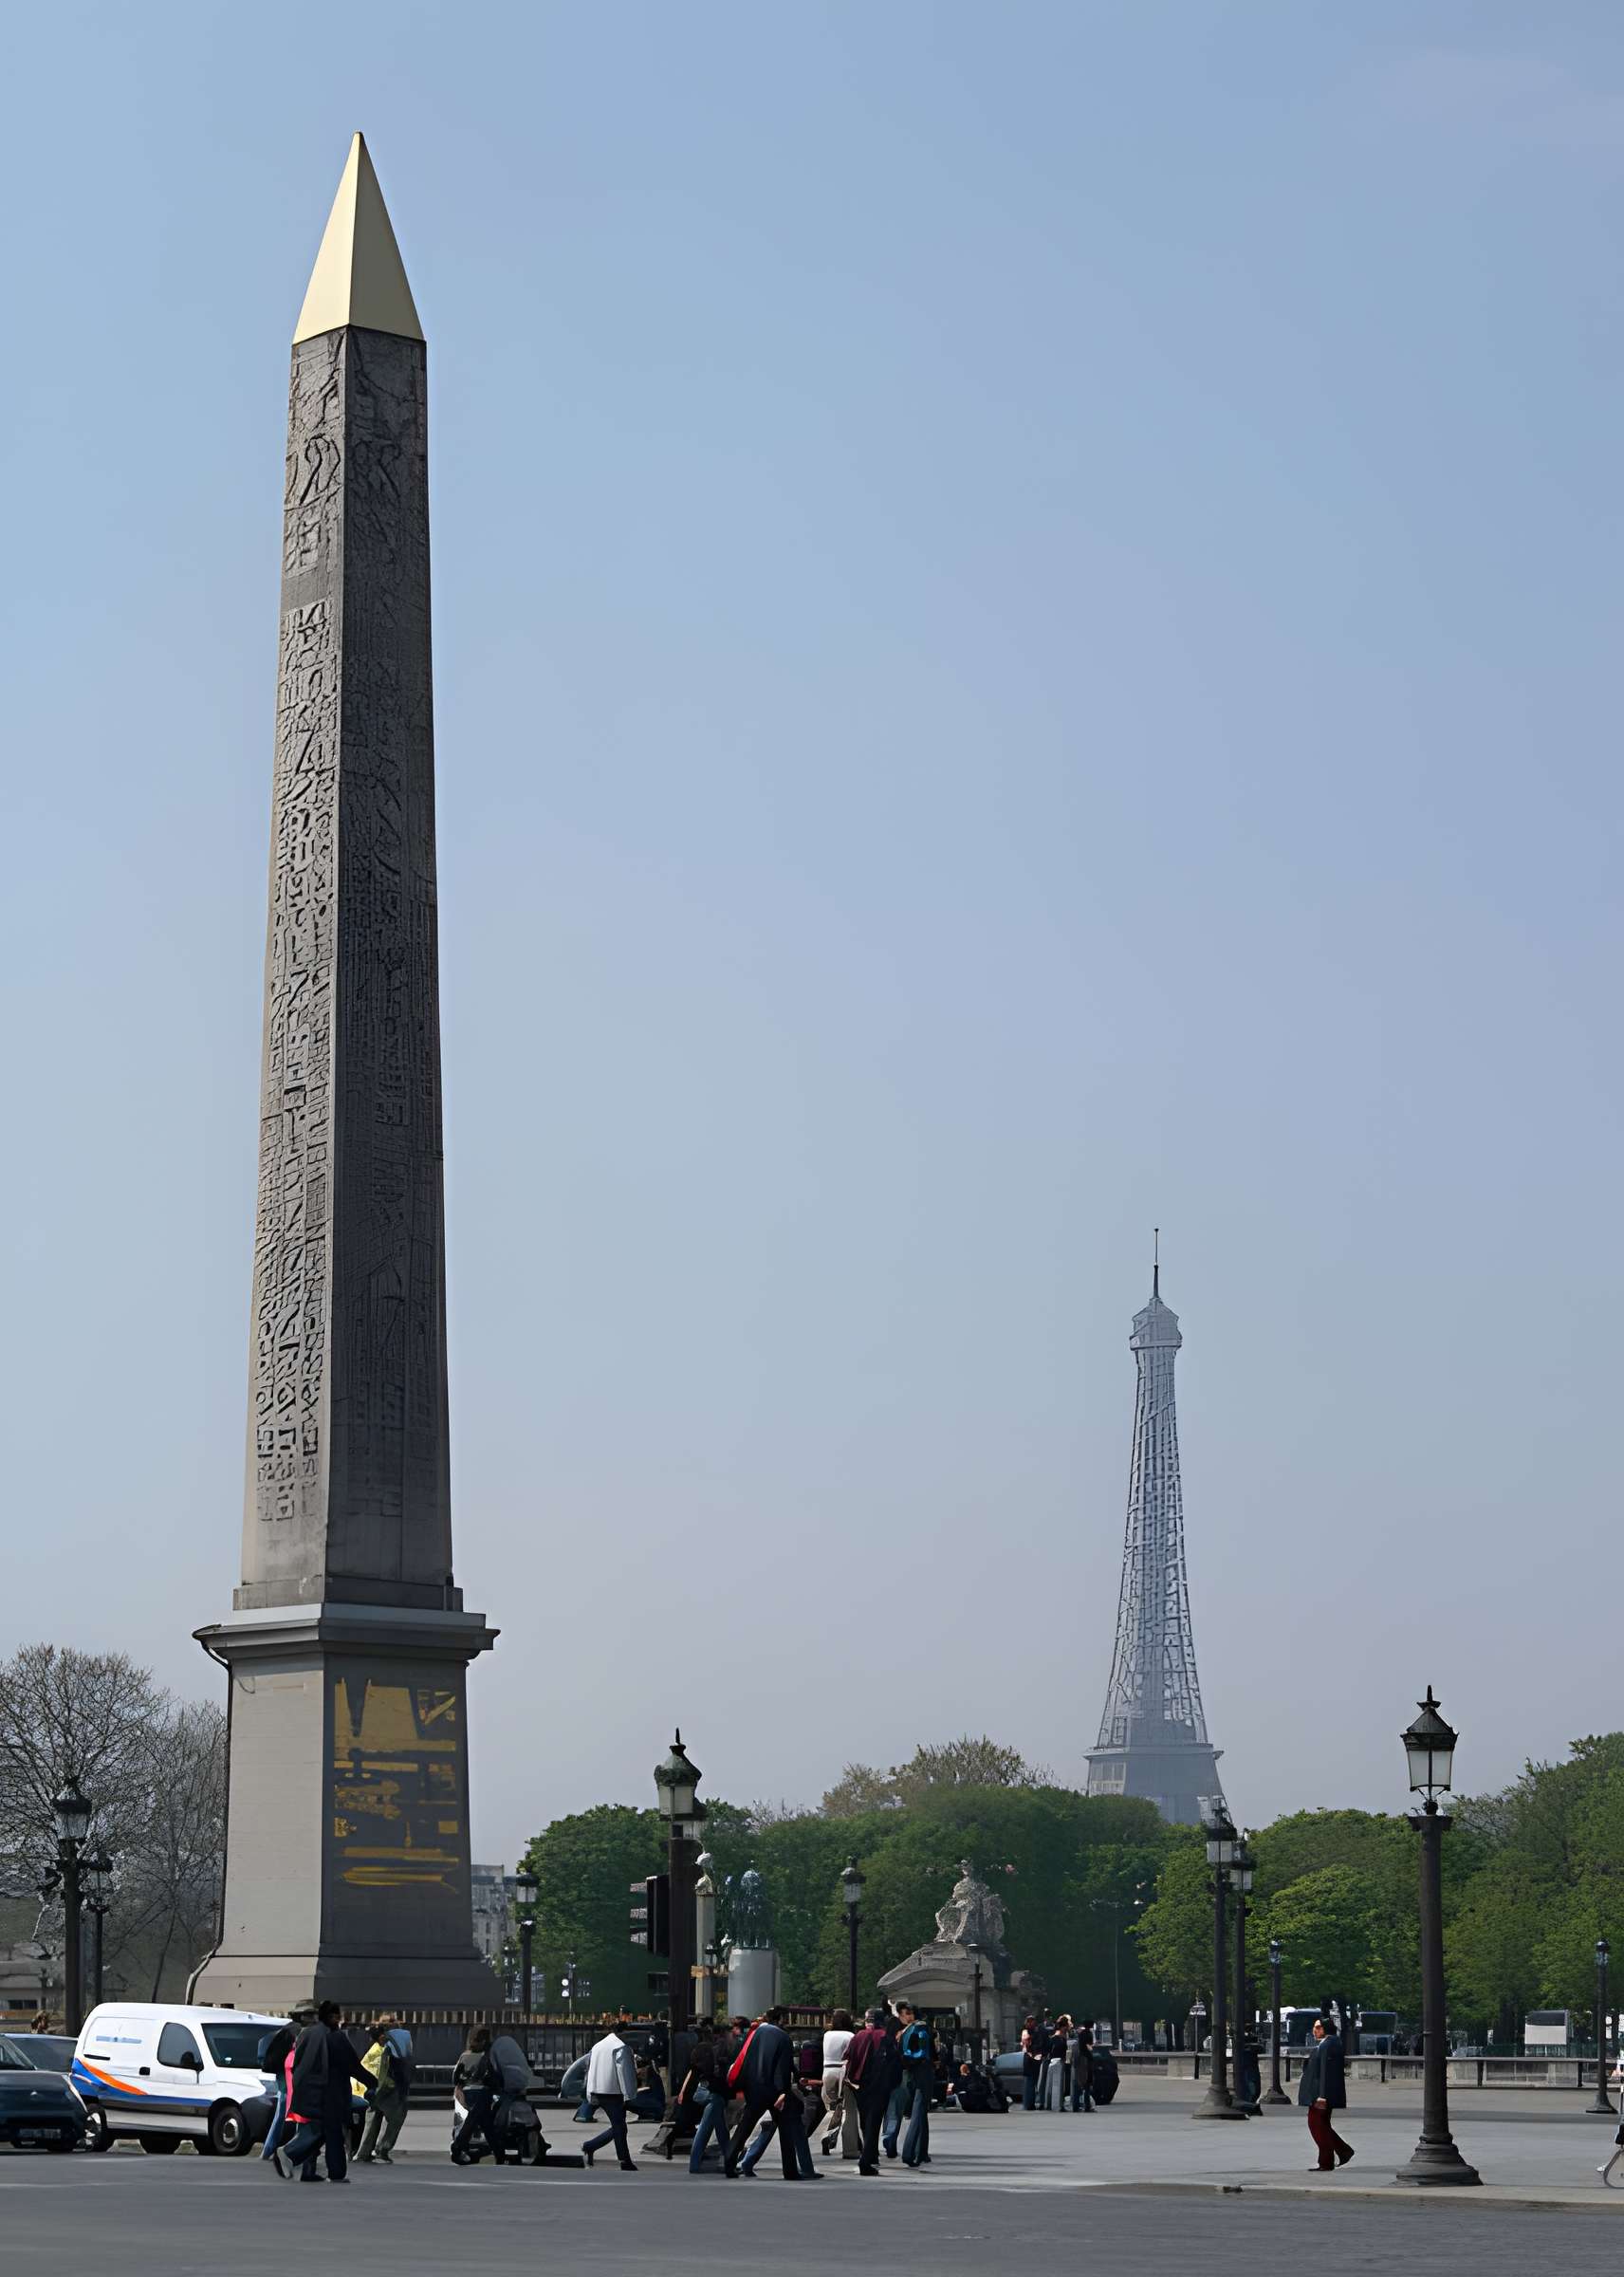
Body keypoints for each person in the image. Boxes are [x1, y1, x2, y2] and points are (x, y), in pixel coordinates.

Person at [274, 2002, 372, 2182]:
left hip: (309, 2092)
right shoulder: (335, 2037)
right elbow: (352, 2066)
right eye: (336, 2016)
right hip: (330, 2094)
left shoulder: (308, 2034)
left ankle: (306, 2169)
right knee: (332, 2134)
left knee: (318, 2131)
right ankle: (295, 2155)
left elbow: (298, 2064)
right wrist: (372, 2082)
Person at [724, 2008, 804, 2180]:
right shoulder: (783, 2038)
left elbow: (743, 2059)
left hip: (753, 2087)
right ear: (780, 2019)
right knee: (785, 2128)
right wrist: (783, 2091)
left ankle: (729, 2163)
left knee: (745, 2126)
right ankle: (790, 2170)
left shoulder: (755, 2034)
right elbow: (783, 2068)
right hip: (773, 2089)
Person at [843, 2007, 901, 2175]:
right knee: (874, 2122)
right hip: (880, 2084)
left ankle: (870, 2154)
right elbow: (895, 2062)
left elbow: (849, 2058)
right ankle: (867, 2160)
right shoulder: (886, 2037)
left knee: (865, 2119)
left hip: (860, 2084)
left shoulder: (858, 2036)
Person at [257, 2004, 312, 2164]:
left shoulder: (288, 2029)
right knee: (297, 2116)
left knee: (281, 2116)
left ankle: (268, 2151)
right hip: (291, 2079)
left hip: (284, 2078)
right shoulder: (298, 2032)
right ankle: (293, 2151)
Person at [1299, 2014, 1354, 2171]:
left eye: (1318, 2027)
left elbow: (1325, 2072)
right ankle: (1341, 2152)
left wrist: (1322, 2096)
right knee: (1321, 2126)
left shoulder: (1328, 2045)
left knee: (1317, 2125)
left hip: (1319, 2095)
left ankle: (1330, 2159)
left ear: (1326, 2028)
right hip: (1318, 2093)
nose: (1314, 2030)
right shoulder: (1328, 2043)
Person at [582, 2023, 639, 2171]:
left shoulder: (598, 2046)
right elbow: (624, 2072)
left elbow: (590, 2070)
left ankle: (591, 2146)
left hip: (598, 2090)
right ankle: (624, 2160)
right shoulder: (621, 2047)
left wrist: (590, 2091)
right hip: (613, 2092)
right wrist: (629, 2094)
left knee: (619, 2126)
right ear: (623, 2032)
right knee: (620, 2126)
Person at [355, 2014, 410, 2164]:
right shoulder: (391, 2046)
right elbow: (398, 2068)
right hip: (388, 2087)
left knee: (372, 2119)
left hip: (372, 2088)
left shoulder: (374, 2047)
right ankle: (382, 2150)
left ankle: (363, 2153)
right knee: (395, 2119)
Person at [451, 2024, 505, 2165]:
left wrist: (461, 2085)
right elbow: (494, 2077)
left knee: (484, 2123)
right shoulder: (487, 2056)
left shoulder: (464, 2056)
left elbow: (455, 2077)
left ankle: (499, 2154)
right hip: (482, 2093)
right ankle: (458, 2147)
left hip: (467, 2093)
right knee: (478, 2121)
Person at [683, 2021, 731, 2173]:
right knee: (708, 2128)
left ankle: (728, 2157)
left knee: (719, 2127)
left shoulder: (701, 2049)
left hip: (708, 2091)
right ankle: (697, 2163)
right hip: (711, 2092)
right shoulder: (708, 2049)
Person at [895, 2003, 934, 2167]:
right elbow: (923, 2052)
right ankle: (909, 2152)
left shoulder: (906, 2030)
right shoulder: (921, 2028)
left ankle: (922, 2151)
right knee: (919, 2111)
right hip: (922, 2070)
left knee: (920, 2110)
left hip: (910, 2071)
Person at [820, 2008, 858, 2158]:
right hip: (843, 2071)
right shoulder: (850, 2035)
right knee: (846, 2109)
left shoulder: (827, 2035)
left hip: (827, 2071)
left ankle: (826, 2135)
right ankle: (842, 2142)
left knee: (831, 2107)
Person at [1070, 2018, 1095, 2113]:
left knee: (1078, 2083)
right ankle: (1087, 2106)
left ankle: (1075, 2106)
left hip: (1079, 2060)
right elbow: (1089, 2047)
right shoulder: (1089, 2034)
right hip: (1086, 2060)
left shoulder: (1080, 2034)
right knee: (1087, 2084)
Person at [1021, 2013, 1043, 2111]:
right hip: (1030, 2060)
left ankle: (1030, 2103)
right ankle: (1029, 2104)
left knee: (1031, 2084)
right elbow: (1028, 2046)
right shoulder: (1027, 2033)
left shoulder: (1033, 2032)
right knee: (1029, 2083)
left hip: (1032, 2060)